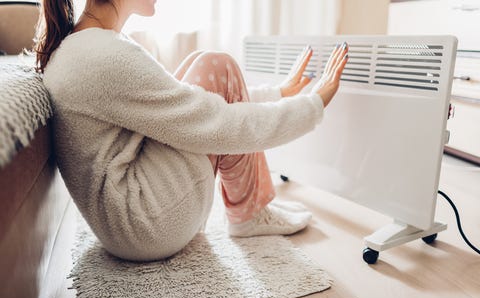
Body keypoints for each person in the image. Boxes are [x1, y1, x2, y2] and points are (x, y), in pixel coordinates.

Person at [35, 0, 349, 261]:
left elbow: (177, 105)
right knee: (217, 65)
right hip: (149, 224)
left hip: (124, 223)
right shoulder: (106, 55)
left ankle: (251, 206)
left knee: (206, 65)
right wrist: (312, 106)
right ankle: (249, 213)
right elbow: (214, 123)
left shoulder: (83, 47)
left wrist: (277, 94)